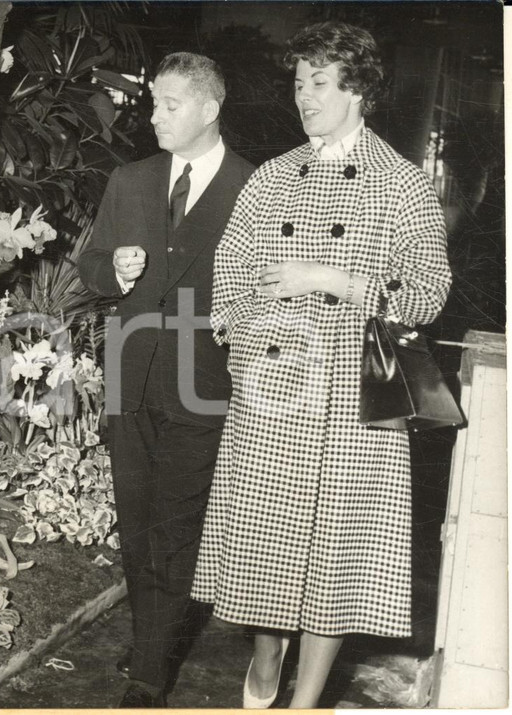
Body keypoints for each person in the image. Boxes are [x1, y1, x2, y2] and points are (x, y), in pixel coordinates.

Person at [190, 21, 452, 709]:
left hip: (355, 401)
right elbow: (229, 279)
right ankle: (268, 658)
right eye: (298, 82)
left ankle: (305, 701)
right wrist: (247, 349)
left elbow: (429, 291)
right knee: (268, 554)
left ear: (358, 88)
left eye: (318, 83)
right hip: (275, 392)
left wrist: (339, 280)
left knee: (335, 561)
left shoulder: (402, 185)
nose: (303, 96)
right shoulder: (272, 179)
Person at [78, 52, 254, 707]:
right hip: (131, 373)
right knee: (137, 521)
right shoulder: (130, 180)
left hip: (204, 383)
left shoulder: (253, 188)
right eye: (153, 102)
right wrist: (112, 269)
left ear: (209, 108)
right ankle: (152, 635)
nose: (154, 115)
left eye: (170, 104)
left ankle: (150, 669)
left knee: (177, 527)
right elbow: (89, 264)